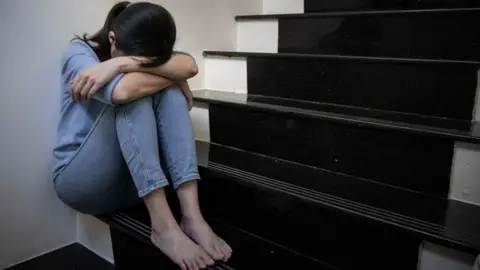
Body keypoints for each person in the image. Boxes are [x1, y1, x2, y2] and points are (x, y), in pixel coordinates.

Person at [52, 2, 231, 270]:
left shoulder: (134, 45)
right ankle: (163, 227)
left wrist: (122, 63)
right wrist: (169, 74)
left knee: (166, 92)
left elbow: (190, 66)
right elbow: (123, 93)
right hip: (81, 181)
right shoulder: (78, 53)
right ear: (111, 39)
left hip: (134, 184)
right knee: (138, 94)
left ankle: (192, 216)